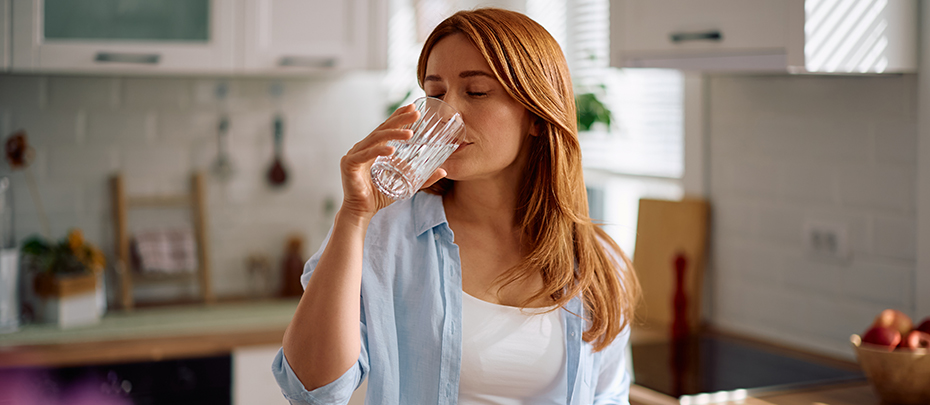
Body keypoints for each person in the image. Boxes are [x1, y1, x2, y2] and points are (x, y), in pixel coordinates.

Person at [273, 8, 641, 405]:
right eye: (435, 94)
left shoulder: (593, 260)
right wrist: (354, 215)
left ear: (536, 115)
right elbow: (311, 392)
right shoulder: (382, 235)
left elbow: (608, 396)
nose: (448, 112)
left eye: (477, 92)